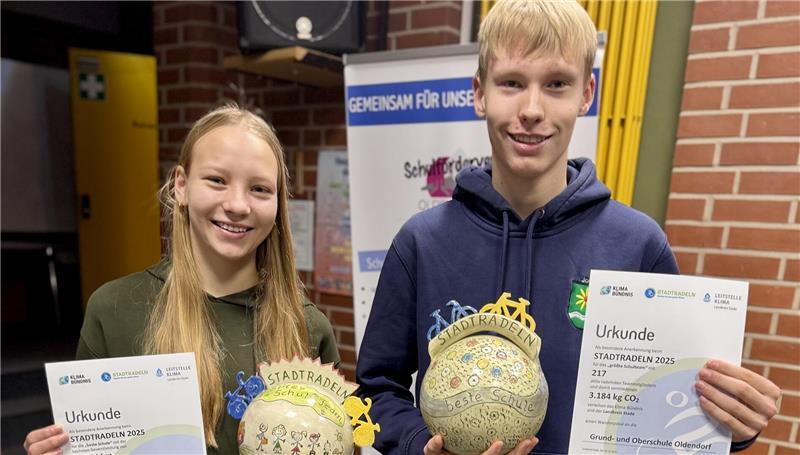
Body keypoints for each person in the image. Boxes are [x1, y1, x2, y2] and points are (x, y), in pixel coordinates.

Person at [355, 1, 781, 454]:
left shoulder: (637, 245)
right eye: (512, 83)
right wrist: (421, 443)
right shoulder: (421, 242)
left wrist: (728, 423)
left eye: (557, 84)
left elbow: (668, 399)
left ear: (586, 94)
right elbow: (375, 392)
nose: (532, 109)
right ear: (480, 93)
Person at [24, 105, 340, 455]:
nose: (237, 204)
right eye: (217, 180)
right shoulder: (114, 310)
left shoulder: (307, 327)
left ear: (278, 204)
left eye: (260, 189)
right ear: (181, 186)